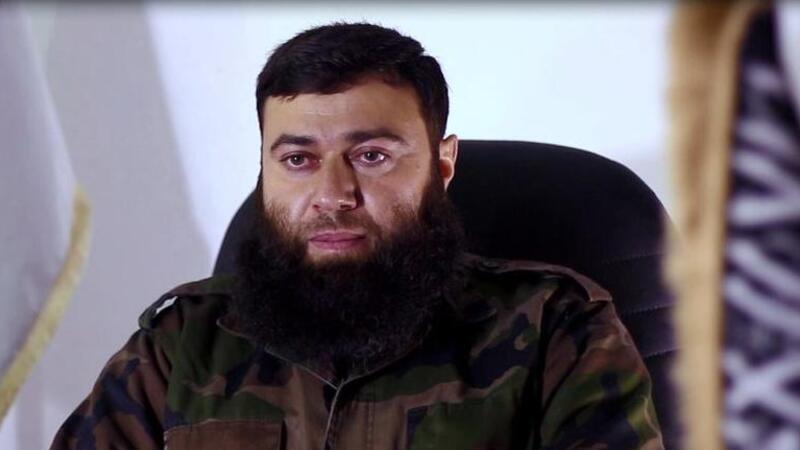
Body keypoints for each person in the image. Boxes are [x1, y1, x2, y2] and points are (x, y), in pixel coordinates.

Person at [51, 23, 663, 450]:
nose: (333, 193)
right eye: (297, 160)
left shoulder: (557, 330)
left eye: (371, 156)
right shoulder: (180, 344)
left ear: (442, 166)